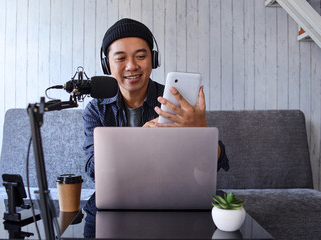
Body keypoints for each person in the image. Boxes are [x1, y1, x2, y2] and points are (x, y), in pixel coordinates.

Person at [82, 18, 229, 238]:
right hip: (116, 203)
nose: (132, 66)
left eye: (141, 56)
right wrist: (139, 140)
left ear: (154, 59)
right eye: (121, 58)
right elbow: (93, 170)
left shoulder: (175, 100)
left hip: (175, 201)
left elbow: (215, 166)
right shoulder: (96, 109)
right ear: (107, 65)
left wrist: (201, 131)